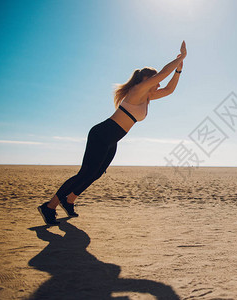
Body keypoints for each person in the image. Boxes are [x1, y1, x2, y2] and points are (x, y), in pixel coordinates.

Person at [38, 41, 187, 225]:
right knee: (84, 173)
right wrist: (180, 57)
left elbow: (169, 89)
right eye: (155, 81)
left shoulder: (147, 96)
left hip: (112, 140)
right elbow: (164, 74)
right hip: (101, 134)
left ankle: (69, 201)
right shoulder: (137, 91)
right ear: (145, 80)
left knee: (96, 173)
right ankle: (49, 206)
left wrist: (179, 70)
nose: (159, 84)